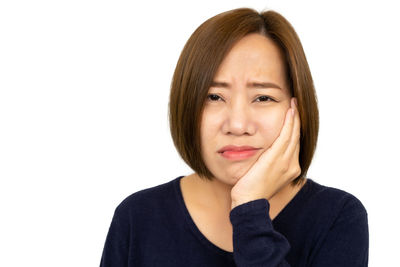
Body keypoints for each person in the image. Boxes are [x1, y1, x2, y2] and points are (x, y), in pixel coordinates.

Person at [99, 7, 369, 267]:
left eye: (263, 97)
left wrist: (250, 209)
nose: (238, 125)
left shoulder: (337, 217)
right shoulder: (138, 217)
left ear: (296, 110)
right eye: (214, 97)